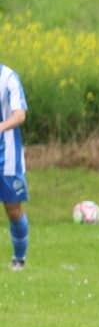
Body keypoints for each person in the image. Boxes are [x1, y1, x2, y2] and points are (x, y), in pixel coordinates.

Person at [0, 63, 29, 271]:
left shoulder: (9, 77)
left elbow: (20, 115)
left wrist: (1, 127)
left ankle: (19, 259)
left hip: (7, 156)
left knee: (13, 210)